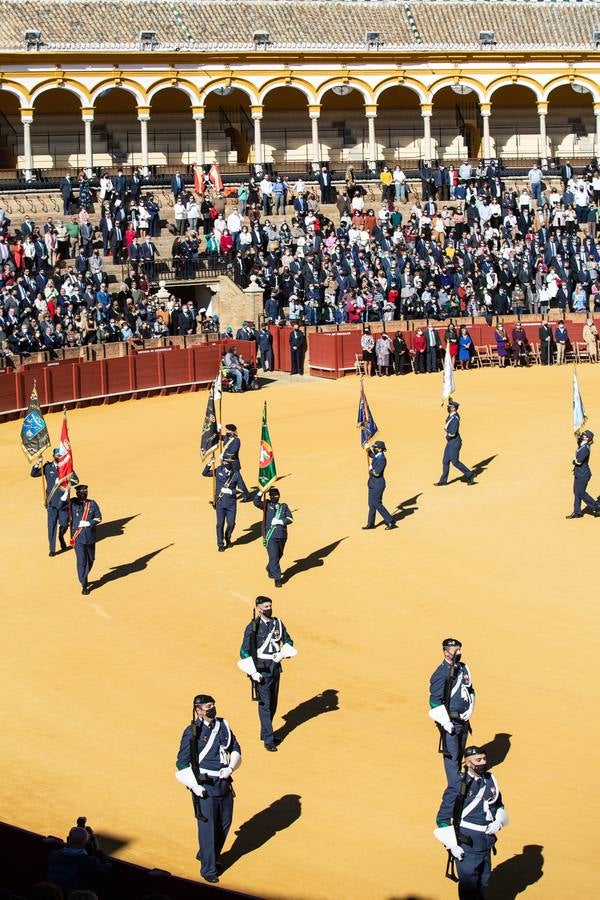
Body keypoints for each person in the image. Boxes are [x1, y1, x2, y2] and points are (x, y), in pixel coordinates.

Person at [175, 693, 241, 884]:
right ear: (198, 710)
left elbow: (235, 748)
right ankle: (209, 869)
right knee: (208, 828)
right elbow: (181, 763)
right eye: (207, 707)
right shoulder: (192, 732)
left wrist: (230, 768)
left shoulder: (224, 726)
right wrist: (194, 786)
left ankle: (206, 854)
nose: (211, 709)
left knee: (225, 823)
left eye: (213, 705)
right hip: (204, 785)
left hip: (224, 782)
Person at [434, 746, 509, 899]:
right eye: (478, 760)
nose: (483, 762)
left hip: (486, 842)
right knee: (469, 888)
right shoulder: (458, 785)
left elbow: (498, 804)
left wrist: (499, 821)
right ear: (468, 763)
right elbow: (442, 819)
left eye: (484, 759)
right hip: (466, 844)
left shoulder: (490, 780)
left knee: (484, 881)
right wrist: (452, 845)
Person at [237, 596, 297, 751]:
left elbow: (289, 641)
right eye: (265, 607)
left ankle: (265, 732)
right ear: (258, 609)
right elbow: (244, 651)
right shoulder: (253, 626)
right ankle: (269, 740)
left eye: (270, 606)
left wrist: (283, 653)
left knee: (273, 703)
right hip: (261, 668)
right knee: (265, 704)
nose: (269, 609)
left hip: (275, 666)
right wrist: (253, 671)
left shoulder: (278, 623)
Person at [428, 638, 475, 785]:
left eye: (460, 649)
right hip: (450, 720)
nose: (459, 653)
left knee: (460, 752)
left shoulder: (463, 668)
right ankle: (455, 786)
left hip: (463, 720)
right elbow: (434, 701)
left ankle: (459, 779)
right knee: (452, 755)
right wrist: (445, 722)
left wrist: (471, 707)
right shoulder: (441, 673)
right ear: (446, 652)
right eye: (456, 650)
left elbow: (470, 689)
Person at [30, 447, 78, 556]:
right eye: (57, 455)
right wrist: (38, 463)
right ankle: (52, 549)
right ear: (53, 456)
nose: (59, 457)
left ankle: (61, 536)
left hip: (64, 503)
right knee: (51, 526)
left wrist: (67, 480)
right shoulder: (47, 467)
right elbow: (33, 474)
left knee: (65, 524)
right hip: (51, 502)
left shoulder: (66, 467)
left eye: (60, 455)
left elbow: (76, 480)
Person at [46, 825, 111, 898]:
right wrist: (97, 848)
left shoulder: (54, 856)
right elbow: (107, 868)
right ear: (86, 843)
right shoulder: (89, 862)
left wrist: (57, 841)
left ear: (68, 839)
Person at [253, 487, 293, 587]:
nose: (276, 497)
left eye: (277, 495)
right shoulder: (266, 504)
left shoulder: (283, 506)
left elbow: (290, 519)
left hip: (282, 536)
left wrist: (280, 521)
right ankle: (277, 578)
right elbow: (256, 502)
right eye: (273, 495)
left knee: (279, 554)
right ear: (270, 496)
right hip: (270, 536)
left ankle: (270, 567)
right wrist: (261, 492)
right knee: (274, 556)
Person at [202, 457, 242, 550]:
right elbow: (205, 473)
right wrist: (209, 464)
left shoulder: (236, 473)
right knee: (220, 524)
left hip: (231, 504)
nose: (225, 463)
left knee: (231, 524)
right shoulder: (219, 469)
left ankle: (227, 537)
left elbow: (242, 489)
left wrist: (231, 491)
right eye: (224, 461)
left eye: (227, 461)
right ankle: (220, 544)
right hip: (220, 503)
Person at [70, 484, 102, 595]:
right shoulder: (72, 503)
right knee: (81, 561)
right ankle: (84, 584)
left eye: (85, 492)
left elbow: (99, 517)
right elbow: (61, 506)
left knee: (91, 560)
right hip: (78, 537)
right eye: (82, 492)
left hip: (90, 537)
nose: (84, 494)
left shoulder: (92, 504)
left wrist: (89, 522)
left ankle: (84, 576)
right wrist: (65, 493)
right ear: (77, 493)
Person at [435, 400, 475, 486]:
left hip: (454, 442)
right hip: (450, 443)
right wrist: (449, 398)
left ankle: (470, 474)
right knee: (445, 461)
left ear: (453, 408)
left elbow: (452, 433)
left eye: (449, 407)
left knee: (455, 462)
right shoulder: (452, 415)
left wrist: (446, 433)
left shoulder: (455, 419)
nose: (448, 408)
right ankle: (443, 481)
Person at [363, 439, 397, 531]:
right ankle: (371, 523)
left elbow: (377, 473)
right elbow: (372, 455)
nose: (374, 448)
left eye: (376, 447)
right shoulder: (378, 455)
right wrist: (367, 447)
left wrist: (370, 469)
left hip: (378, 484)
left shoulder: (382, 459)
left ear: (380, 449)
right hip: (372, 483)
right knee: (371, 504)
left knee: (377, 503)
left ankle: (391, 521)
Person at [567, 429, 600, 518]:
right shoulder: (582, 444)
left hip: (583, 474)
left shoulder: (585, 449)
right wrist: (577, 430)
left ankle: (597, 506)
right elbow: (578, 438)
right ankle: (577, 512)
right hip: (578, 473)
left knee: (581, 492)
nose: (583, 436)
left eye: (585, 435)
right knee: (576, 492)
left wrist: (573, 461)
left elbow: (578, 462)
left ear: (588, 439)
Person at [221, 423, 252, 502]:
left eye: (228, 430)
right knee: (224, 478)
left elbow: (233, 452)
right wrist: (217, 430)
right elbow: (218, 437)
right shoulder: (226, 438)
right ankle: (225, 495)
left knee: (239, 481)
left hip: (233, 464)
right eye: (226, 430)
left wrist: (224, 456)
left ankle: (246, 495)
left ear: (233, 431)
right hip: (225, 463)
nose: (227, 431)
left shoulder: (236, 440)